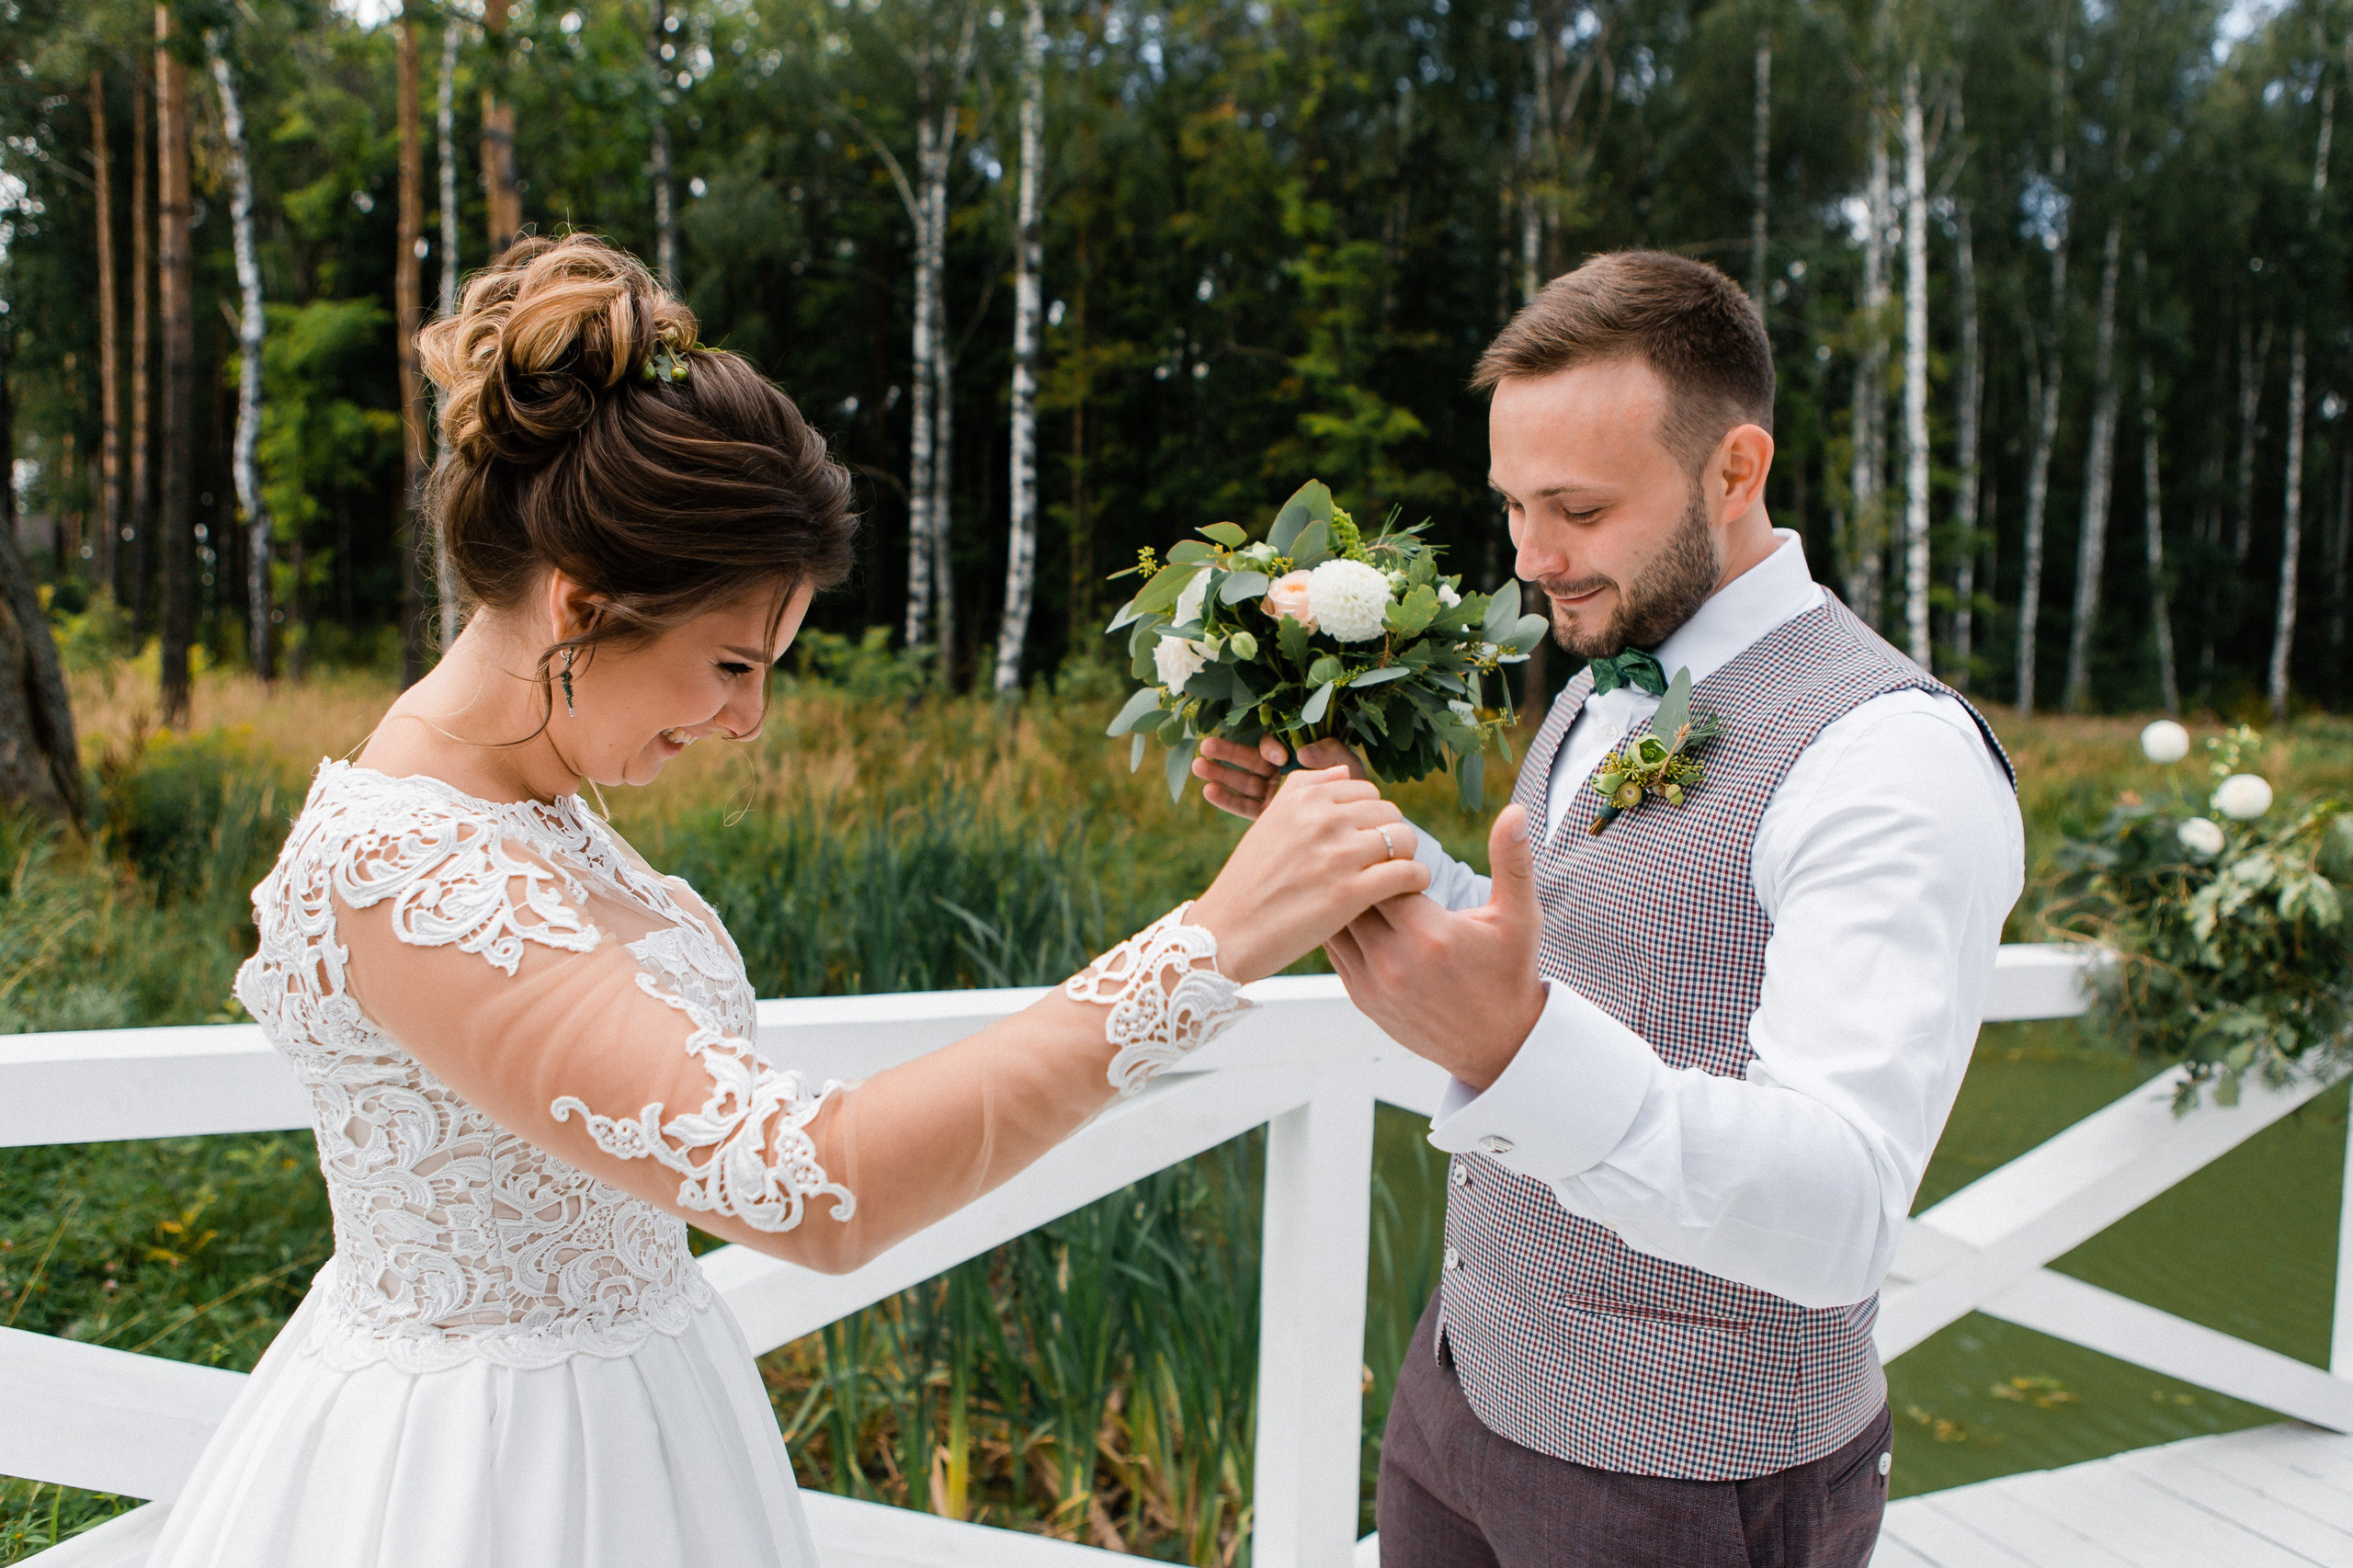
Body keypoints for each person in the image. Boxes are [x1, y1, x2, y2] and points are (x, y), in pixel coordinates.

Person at [147, 234, 1431, 1568]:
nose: (749, 720)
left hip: (650, 1413)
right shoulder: (404, 869)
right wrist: (1212, 943)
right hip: (487, 1478)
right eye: (730, 664)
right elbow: (814, 1186)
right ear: (582, 607)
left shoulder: (530, 798)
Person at [1198, 251, 2023, 1568]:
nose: (1533, 559)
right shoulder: (1601, 678)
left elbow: (1844, 1211)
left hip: (1687, 1483)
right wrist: (1347, 826)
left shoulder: (1892, 757)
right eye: (1515, 506)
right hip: (1462, 1382)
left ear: (1735, 470)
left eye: (1577, 507)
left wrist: (1511, 1049)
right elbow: (1568, 939)